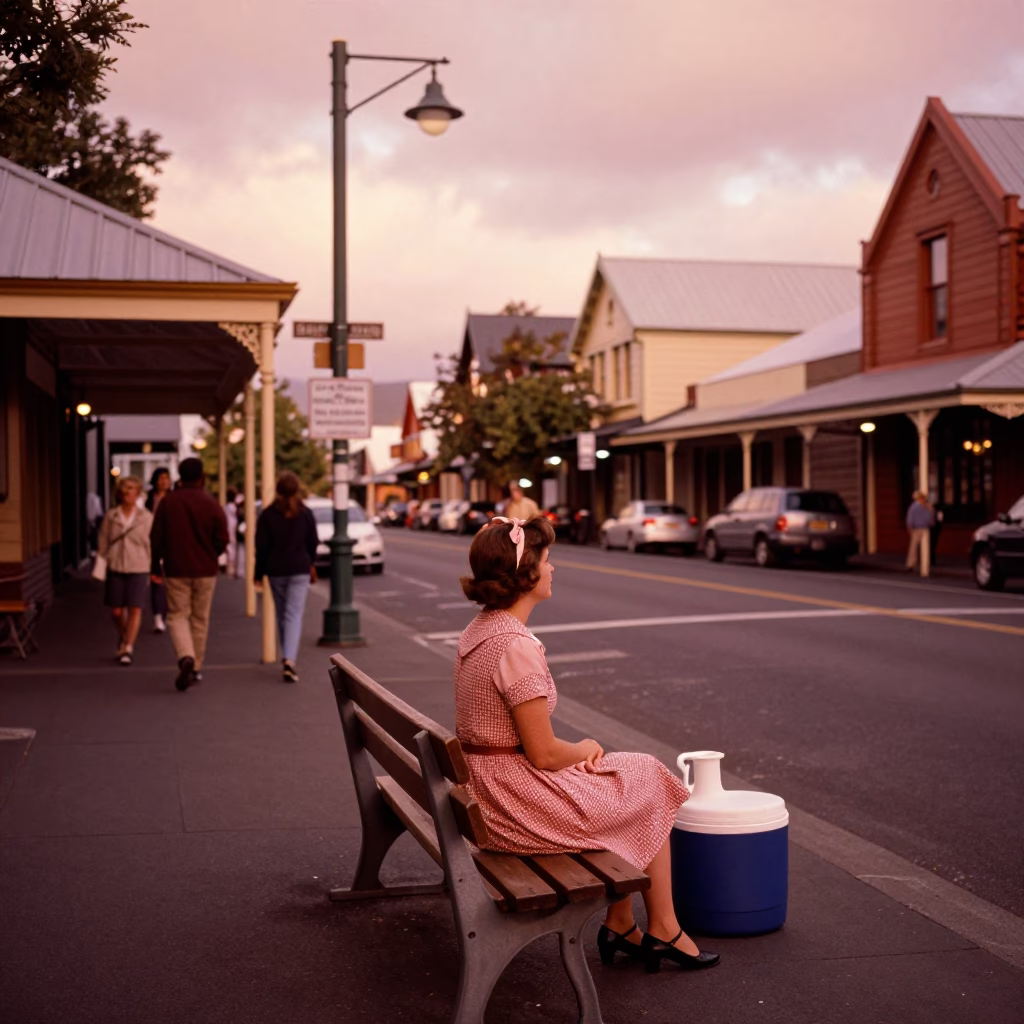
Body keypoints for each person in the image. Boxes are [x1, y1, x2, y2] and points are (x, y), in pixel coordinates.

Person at [454, 515, 719, 972]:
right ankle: (664, 928)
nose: (553, 568)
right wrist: (586, 747)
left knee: (639, 773)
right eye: (547, 559)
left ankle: (625, 921)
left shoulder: (481, 629)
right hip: (512, 805)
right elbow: (546, 754)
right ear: (526, 574)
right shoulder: (515, 647)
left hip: (490, 788)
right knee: (649, 778)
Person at [150, 458, 229, 692]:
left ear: (180, 477)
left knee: (177, 615)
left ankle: (186, 656)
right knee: (199, 619)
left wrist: (155, 566)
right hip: (205, 570)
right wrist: (211, 554)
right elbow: (223, 539)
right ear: (201, 476)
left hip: (176, 569)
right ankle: (195, 667)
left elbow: (156, 538)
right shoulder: (211, 504)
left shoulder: (168, 503)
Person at [253, 472, 318, 683]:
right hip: (299, 568)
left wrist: (257, 574)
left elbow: (261, 547)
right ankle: (289, 659)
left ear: (278, 489)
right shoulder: (305, 513)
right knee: (292, 615)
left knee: (283, 614)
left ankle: (287, 656)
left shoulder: (268, 515)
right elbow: (313, 542)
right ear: (296, 489)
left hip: (276, 570)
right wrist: (311, 562)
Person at [96, 475, 152, 666]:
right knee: (117, 612)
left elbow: (150, 544)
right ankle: (124, 635)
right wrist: (101, 561)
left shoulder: (145, 517)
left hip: (139, 565)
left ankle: (128, 647)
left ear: (138, 493)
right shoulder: (112, 516)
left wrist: (153, 568)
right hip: (116, 565)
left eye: (133, 489)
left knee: (135, 607)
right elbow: (103, 540)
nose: (129, 493)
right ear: (120, 493)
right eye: (126, 489)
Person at [145, 467, 172, 632]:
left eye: (166, 478)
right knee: (156, 579)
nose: (164, 481)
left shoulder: (174, 498)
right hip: (152, 543)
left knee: (170, 582)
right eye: (161, 478)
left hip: (170, 544)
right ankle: (157, 616)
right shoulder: (148, 500)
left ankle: (165, 612)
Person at [905, 490, 935, 571]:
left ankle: (925, 562)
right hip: (917, 528)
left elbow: (931, 518)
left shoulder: (928, 507)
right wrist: (910, 529)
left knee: (925, 546)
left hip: (925, 528)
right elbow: (909, 520)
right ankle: (911, 563)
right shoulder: (914, 507)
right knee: (914, 547)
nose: (923, 499)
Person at [223, 488, 238, 577]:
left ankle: (230, 566)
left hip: (228, 528)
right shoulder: (234, 507)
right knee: (233, 548)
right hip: (232, 528)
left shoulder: (225, 507)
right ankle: (232, 566)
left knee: (229, 548)